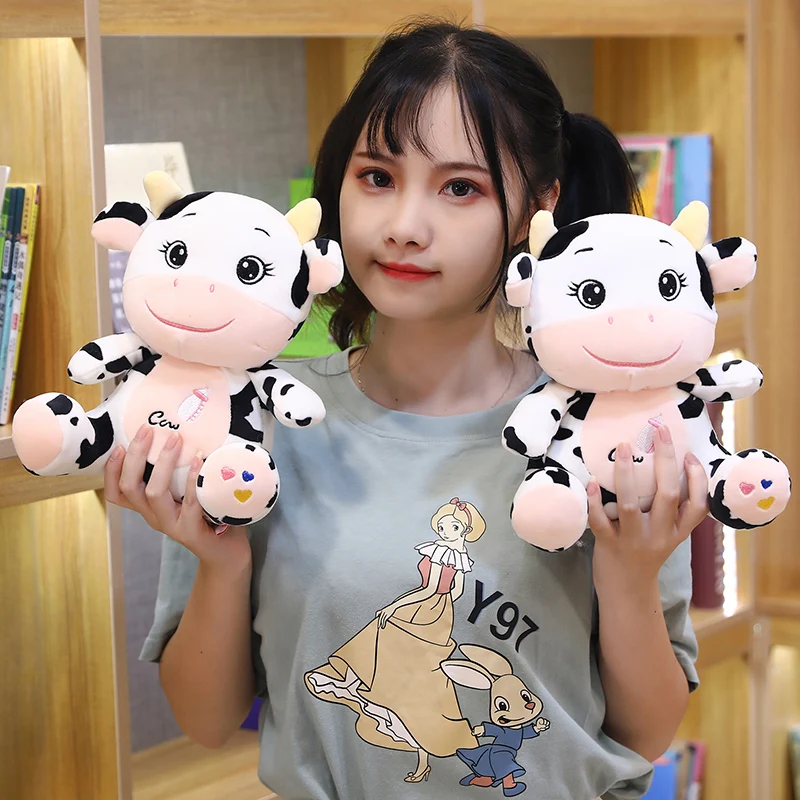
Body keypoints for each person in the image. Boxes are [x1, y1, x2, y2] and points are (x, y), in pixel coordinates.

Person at [106, 19, 708, 800]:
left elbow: (646, 733)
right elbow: (207, 720)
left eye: (461, 188)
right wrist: (221, 563)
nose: (403, 227)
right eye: (377, 177)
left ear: (538, 208)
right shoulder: (250, 421)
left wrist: (628, 576)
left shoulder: (604, 432)